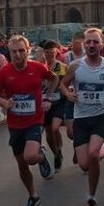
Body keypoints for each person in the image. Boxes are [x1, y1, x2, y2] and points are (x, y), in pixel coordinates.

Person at [60, 28, 104, 206]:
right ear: (84, 44)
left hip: (101, 117)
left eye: (95, 42)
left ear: (102, 45)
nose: (91, 45)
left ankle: (91, 197)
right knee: (84, 164)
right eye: (88, 42)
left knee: (92, 153)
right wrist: (68, 94)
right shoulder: (75, 66)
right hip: (81, 117)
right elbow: (63, 84)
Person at [0, 35, 58, 206]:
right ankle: (33, 196)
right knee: (22, 165)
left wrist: (47, 97)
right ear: (10, 52)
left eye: (22, 51)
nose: (18, 55)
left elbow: (54, 79)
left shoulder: (38, 68)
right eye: (14, 51)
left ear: (28, 51)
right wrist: (4, 103)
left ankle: (40, 157)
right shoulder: (4, 72)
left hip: (34, 121)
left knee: (29, 157)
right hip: (15, 124)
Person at [41, 40, 68, 173]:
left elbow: (66, 83)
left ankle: (59, 150)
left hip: (59, 102)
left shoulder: (62, 67)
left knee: (55, 127)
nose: (49, 54)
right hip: (45, 103)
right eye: (46, 52)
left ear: (56, 51)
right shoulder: (41, 67)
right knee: (48, 134)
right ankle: (57, 153)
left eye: (51, 52)